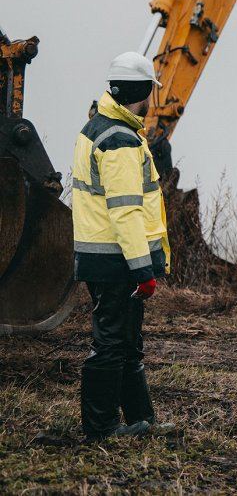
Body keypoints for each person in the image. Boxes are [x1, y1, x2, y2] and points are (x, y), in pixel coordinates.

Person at [71, 52, 172, 440]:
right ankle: (101, 427)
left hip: (105, 256)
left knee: (127, 342)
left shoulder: (96, 127)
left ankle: (140, 420)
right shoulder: (121, 140)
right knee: (112, 342)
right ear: (144, 91)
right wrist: (143, 269)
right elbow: (126, 212)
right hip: (117, 260)